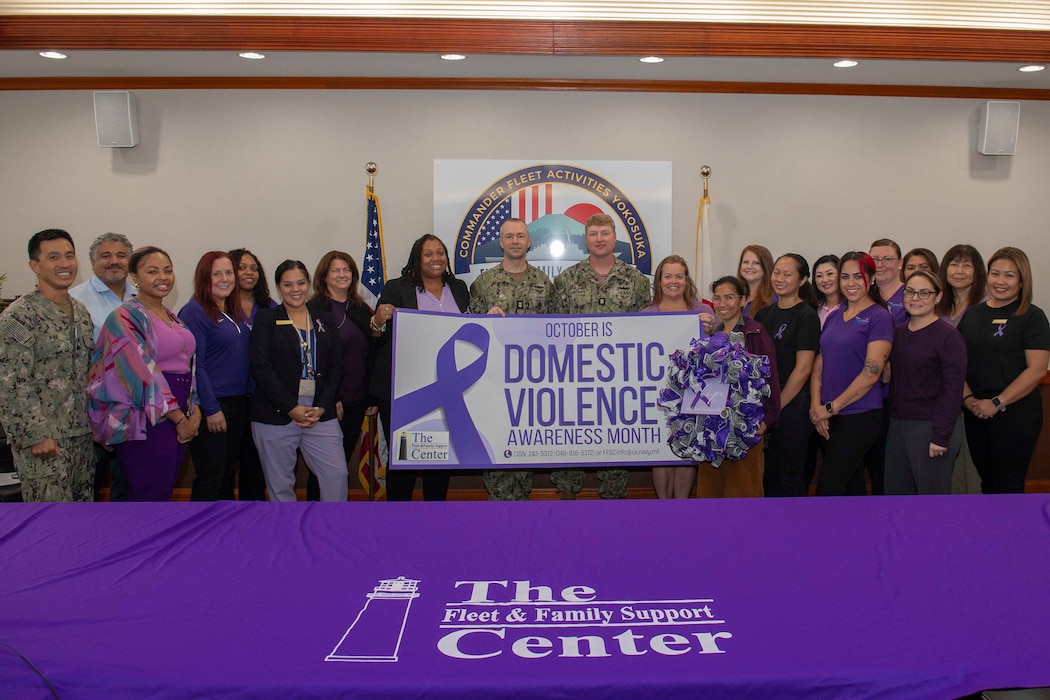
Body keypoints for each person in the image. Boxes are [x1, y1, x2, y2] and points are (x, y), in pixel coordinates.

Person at [88, 246, 200, 501]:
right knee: (148, 494)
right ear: (135, 277)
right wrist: (179, 419)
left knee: (165, 489)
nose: (163, 277)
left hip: (177, 410)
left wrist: (195, 409)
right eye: (153, 271)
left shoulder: (171, 316)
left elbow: (189, 363)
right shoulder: (125, 316)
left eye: (168, 271)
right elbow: (140, 374)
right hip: (146, 417)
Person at [551, 213, 650, 499]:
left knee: (614, 446)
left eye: (605, 233)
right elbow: (553, 329)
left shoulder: (636, 280)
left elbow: (647, 328)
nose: (599, 239)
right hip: (574, 378)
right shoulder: (566, 280)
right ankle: (567, 499)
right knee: (571, 442)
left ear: (614, 237)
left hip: (618, 378)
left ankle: (614, 503)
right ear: (585, 239)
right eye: (593, 233)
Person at [369, 234, 469, 501]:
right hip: (404, 388)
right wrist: (378, 320)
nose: (435, 258)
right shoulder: (397, 288)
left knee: (439, 452)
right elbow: (377, 338)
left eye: (440, 253)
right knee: (404, 454)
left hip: (445, 386)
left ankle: (434, 514)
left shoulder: (459, 288)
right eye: (428, 254)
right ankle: (398, 516)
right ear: (417, 258)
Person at [0, 229, 96, 502]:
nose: (64, 264)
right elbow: (11, 386)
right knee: (49, 524)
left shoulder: (80, 311)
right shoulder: (19, 317)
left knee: (82, 518)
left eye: (69, 256)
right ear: (35, 265)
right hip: (43, 444)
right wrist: (36, 436)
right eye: (53, 257)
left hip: (81, 436)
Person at [468, 218, 554, 501]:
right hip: (494, 380)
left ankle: (522, 512)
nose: (515, 241)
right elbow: (471, 332)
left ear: (529, 242)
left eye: (520, 236)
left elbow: (555, 330)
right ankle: (497, 512)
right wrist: (485, 320)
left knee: (523, 445)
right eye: (509, 236)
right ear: (501, 243)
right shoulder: (483, 283)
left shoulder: (544, 282)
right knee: (496, 438)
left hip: (532, 380)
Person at [250, 260, 347, 502]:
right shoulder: (266, 319)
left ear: (309, 284)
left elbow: (336, 365)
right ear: (278, 287)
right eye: (288, 284)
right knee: (280, 485)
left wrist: (324, 406)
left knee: (337, 475)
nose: (295, 289)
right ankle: (288, 536)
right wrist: (291, 408)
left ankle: (332, 532)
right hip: (276, 412)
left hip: (319, 412)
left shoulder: (324, 319)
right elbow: (261, 368)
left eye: (301, 283)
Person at [958, 247, 1050, 494]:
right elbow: (957, 363)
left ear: (1022, 281)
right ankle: (993, 532)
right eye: (995, 273)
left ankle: (1013, 532)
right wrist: (969, 400)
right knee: (987, 484)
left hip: (1015, 414)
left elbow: (1037, 370)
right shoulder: (973, 315)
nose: (1000, 281)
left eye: (1009, 275)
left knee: (1008, 485)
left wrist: (997, 403)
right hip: (975, 412)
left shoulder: (1032, 317)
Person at [809, 252, 893, 496]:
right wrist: (817, 408)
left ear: (872, 278)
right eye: (845, 276)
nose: (850, 283)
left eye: (858, 276)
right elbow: (819, 364)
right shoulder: (835, 315)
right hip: (828, 415)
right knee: (851, 486)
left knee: (829, 487)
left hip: (859, 415)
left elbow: (870, 373)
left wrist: (831, 408)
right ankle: (857, 533)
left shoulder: (879, 318)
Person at [696, 276, 780, 498]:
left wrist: (767, 420)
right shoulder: (711, 338)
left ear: (742, 301)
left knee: (743, 493)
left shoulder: (756, 333)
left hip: (746, 428)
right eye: (718, 298)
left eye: (729, 297)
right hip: (713, 428)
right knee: (710, 494)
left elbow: (770, 379)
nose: (722, 303)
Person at [885, 271, 967, 495]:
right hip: (899, 424)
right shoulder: (898, 333)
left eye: (924, 293)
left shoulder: (948, 337)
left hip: (931, 427)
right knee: (897, 497)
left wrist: (941, 435)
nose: (915, 298)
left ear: (938, 297)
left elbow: (953, 390)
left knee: (931, 501)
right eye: (910, 291)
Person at [179, 251, 251, 501]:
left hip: (238, 403)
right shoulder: (194, 311)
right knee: (211, 475)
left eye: (229, 273)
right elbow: (197, 365)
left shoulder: (233, 310)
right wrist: (211, 409)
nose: (225, 279)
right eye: (216, 274)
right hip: (213, 404)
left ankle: (223, 529)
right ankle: (199, 533)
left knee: (227, 472)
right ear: (204, 277)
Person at [69, 231, 135, 501]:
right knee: (89, 486)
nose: (114, 261)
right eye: (105, 256)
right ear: (92, 261)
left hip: (133, 409)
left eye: (121, 255)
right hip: (91, 410)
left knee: (128, 485)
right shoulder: (76, 300)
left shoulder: (140, 297)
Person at [643, 254, 714, 499]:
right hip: (657, 390)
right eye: (668, 276)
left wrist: (710, 331)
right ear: (659, 280)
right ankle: (664, 505)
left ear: (687, 280)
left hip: (692, 392)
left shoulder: (703, 312)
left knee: (687, 447)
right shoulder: (646, 314)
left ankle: (681, 506)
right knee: (661, 449)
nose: (674, 281)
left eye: (679, 276)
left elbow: (715, 352)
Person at [306, 251, 376, 501]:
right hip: (327, 403)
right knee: (324, 467)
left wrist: (371, 397)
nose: (342, 274)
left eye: (346, 270)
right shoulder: (312, 309)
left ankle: (335, 516)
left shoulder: (361, 308)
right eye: (335, 270)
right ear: (324, 276)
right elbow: (312, 360)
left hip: (356, 400)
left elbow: (372, 353)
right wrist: (329, 399)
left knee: (342, 461)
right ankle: (314, 514)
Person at [755, 254, 820, 497]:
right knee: (768, 472)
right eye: (777, 273)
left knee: (790, 473)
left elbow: (803, 369)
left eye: (787, 274)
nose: (779, 279)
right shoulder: (764, 315)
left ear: (803, 280)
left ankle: (796, 530)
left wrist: (777, 406)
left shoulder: (806, 315)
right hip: (766, 402)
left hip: (792, 404)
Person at [936, 244, 987, 494]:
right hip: (941, 399)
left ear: (977, 272)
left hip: (976, 397)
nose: (959, 270)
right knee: (949, 472)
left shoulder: (987, 306)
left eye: (967, 265)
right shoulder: (936, 307)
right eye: (954, 264)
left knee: (974, 470)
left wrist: (969, 398)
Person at [229, 247, 276, 500]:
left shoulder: (269, 307)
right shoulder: (218, 304)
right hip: (228, 399)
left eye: (254, 268)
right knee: (224, 464)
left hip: (262, 398)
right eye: (242, 267)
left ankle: (253, 516)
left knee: (255, 463)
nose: (249, 272)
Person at [865, 238, 906, 495]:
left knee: (896, 465)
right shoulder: (862, 296)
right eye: (875, 260)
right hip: (869, 394)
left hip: (901, 394)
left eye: (887, 259)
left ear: (900, 263)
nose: (880, 265)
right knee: (873, 462)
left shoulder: (912, 294)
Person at [737, 244, 775, 317]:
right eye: (746, 262)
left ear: (766, 266)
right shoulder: (736, 296)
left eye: (756, 263)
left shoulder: (774, 299)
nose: (749, 266)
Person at [812, 254, 841, 329]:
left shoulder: (851, 307)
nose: (825, 280)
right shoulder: (813, 308)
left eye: (830, 274)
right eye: (819, 276)